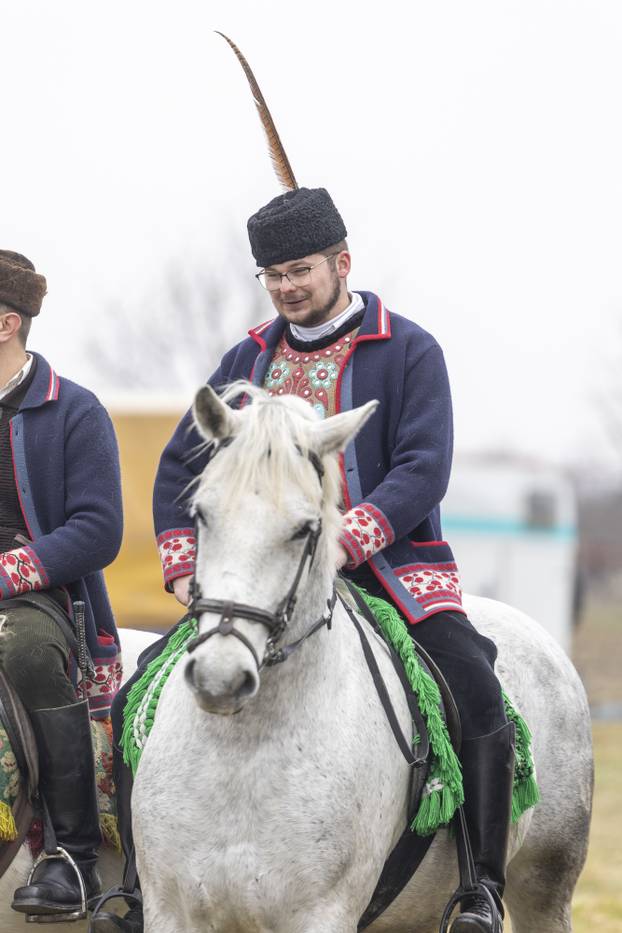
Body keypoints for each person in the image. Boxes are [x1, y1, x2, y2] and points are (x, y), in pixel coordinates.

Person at [98, 188, 514, 933]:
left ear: (341, 262)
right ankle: (138, 887)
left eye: (300, 269)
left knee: (478, 693)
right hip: (258, 581)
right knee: (137, 698)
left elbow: (424, 465)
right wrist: (185, 568)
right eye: (273, 274)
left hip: (388, 566)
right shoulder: (247, 357)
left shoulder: (409, 349)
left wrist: (354, 532)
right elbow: (176, 472)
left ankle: (479, 889)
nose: (287, 286)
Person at [0, 250, 123, 918]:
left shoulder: (73, 410)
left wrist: (8, 571)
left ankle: (71, 855)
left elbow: (99, 528)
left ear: (6, 323)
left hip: (37, 594)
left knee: (23, 652)